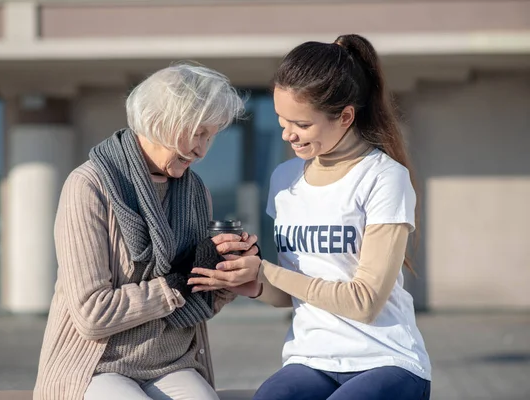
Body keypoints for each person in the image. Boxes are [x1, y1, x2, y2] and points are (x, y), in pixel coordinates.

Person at [189, 35, 432, 399]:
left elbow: (364, 302)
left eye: (301, 124)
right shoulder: (284, 180)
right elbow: (291, 294)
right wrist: (250, 280)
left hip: (387, 360)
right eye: (281, 120)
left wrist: (267, 270)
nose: (288, 134)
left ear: (345, 116)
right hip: (310, 360)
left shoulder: (384, 178)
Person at [33, 64, 258, 400]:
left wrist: (223, 274)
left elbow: (197, 304)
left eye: (210, 136)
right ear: (160, 120)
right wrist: (178, 280)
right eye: (198, 132)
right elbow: (93, 314)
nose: (202, 150)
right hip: (96, 364)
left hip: (173, 362)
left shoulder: (196, 193)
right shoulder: (89, 186)